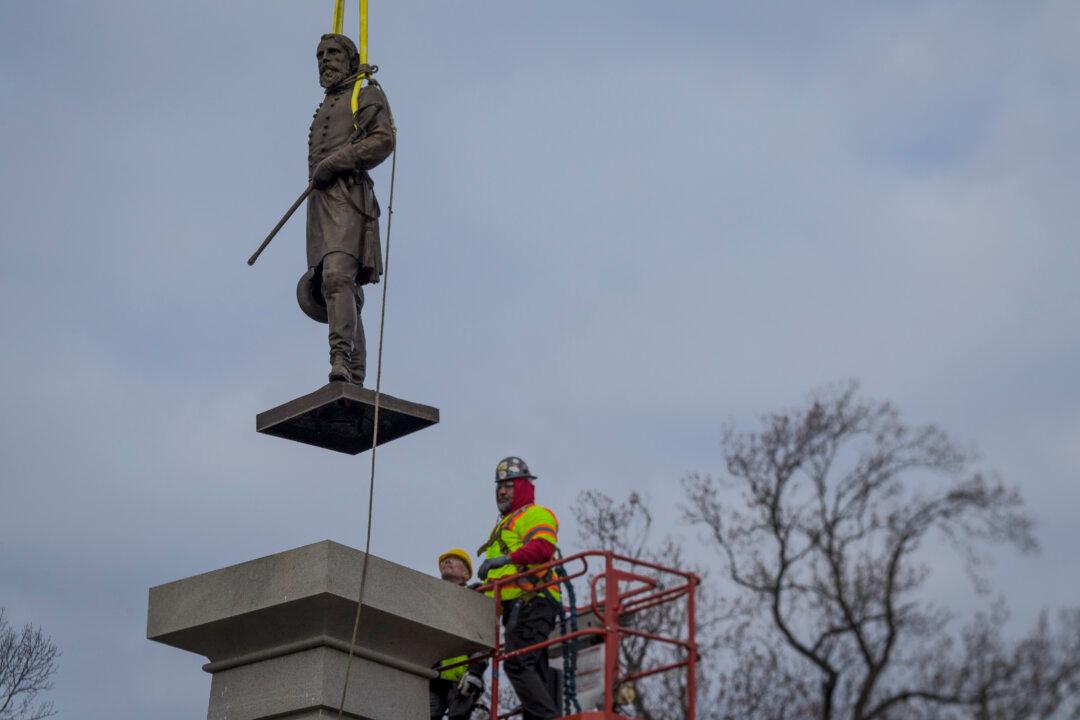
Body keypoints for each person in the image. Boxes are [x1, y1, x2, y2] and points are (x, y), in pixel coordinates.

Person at [302, 32, 394, 385]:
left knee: (339, 277)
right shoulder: (326, 104)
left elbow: (384, 140)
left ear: (351, 59)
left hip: (349, 199)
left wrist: (339, 160)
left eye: (334, 53)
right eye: (320, 54)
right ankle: (354, 375)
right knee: (338, 289)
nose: (325, 59)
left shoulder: (366, 93)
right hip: (320, 205)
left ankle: (340, 359)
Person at [477, 457, 562, 720]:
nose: (501, 491)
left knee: (516, 662)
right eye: (498, 486)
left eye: (508, 485)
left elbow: (543, 547)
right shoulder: (504, 526)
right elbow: (503, 578)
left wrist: (506, 558)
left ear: (523, 486)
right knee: (532, 668)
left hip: (533, 601)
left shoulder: (534, 514)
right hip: (518, 607)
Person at [431, 549, 487, 720]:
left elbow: (483, 640)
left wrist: (475, 671)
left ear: (466, 574)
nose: (446, 562)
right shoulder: (432, 599)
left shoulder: (475, 599)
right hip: (434, 677)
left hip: (462, 678)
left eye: (454, 560)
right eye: (445, 561)